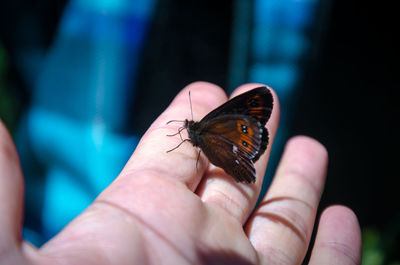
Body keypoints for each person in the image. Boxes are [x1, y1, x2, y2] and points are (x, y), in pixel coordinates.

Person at [0, 82, 361, 265]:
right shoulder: (199, 130)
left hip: (232, 153)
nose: (188, 128)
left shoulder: (205, 129)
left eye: (189, 125)